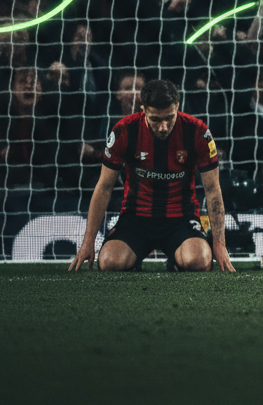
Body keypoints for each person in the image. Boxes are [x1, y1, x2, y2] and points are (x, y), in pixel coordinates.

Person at [69, 78, 234, 273]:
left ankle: (176, 258)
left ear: (177, 107)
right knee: (109, 263)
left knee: (198, 262)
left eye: (169, 118)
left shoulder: (198, 132)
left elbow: (213, 190)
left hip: (181, 219)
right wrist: (88, 242)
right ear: (143, 109)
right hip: (136, 218)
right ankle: (134, 259)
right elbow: (104, 187)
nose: (163, 126)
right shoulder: (124, 131)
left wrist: (220, 244)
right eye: (155, 119)